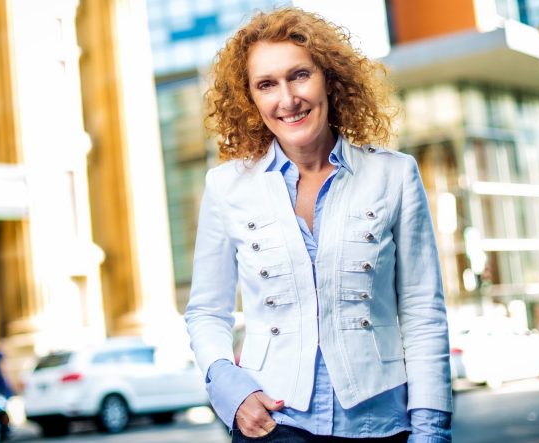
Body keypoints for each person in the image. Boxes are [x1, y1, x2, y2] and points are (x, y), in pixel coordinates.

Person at [185, 7, 452, 443]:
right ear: (250, 98)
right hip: (274, 424)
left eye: (299, 76)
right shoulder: (226, 187)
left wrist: (430, 429)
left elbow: (423, 312)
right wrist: (229, 390)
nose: (287, 99)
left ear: (328, 77)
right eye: (266, 85)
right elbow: (206, 312)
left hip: (379, 423)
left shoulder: (394, 175)